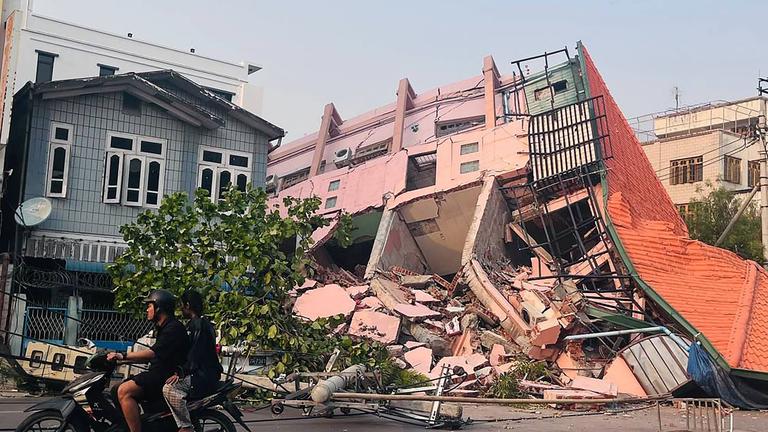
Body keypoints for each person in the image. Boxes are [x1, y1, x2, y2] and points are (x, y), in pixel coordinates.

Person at [107, 289, 190, 432]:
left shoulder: (173, 328)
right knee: (114, 390)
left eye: (149, 306)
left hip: (165, 376)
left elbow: (152, 353)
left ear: (159, 308)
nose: (147, 310)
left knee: (124, 391)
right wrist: (121, 360)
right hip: (158, 373)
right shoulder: (164, 328)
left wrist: (123, 356)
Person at [162, 290, 222, 432]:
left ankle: (185, 426)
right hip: (201, 373)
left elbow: (195, 353)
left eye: (182, 305)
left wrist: (181, 372)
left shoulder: (199, 325)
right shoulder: (194, 324)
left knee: (170, 388)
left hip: (202, 376)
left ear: (188, 305)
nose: (181, 309)